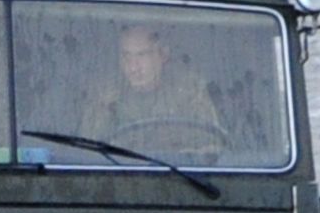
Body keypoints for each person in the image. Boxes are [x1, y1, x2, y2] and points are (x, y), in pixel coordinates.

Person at [79, 25, 225, 155]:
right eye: (126, 56)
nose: (133, 67)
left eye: (142, 55)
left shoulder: (189, 90)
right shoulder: (105, 94)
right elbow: (86, 150)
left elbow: (212, 145)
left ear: (163, 55)